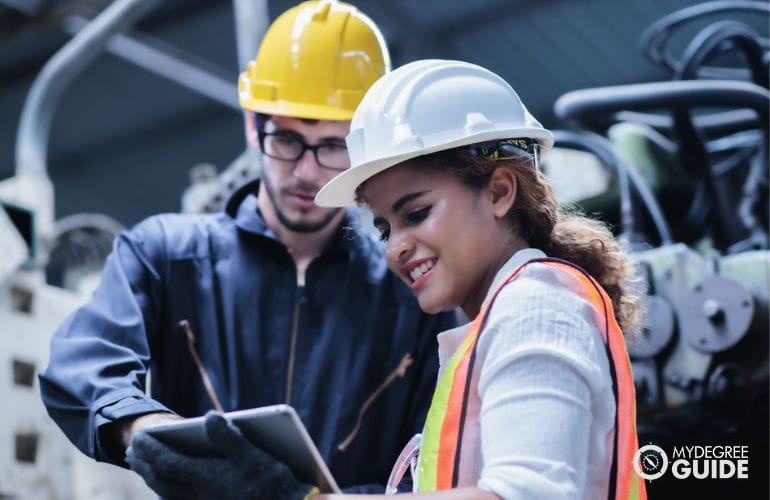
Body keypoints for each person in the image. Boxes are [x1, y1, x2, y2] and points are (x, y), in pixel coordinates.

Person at [39, 2, 456, 497]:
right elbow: (81, 366)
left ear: (368, 150)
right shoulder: (166, 255)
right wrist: (146, 430)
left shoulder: (408, 292)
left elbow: (430, 468)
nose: (306, 171)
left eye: (333, 145)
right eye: (287, 139)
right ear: (252, 127)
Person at [209, 59, 648, 498]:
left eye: (416, 214)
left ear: (499, 192)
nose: (394, 247)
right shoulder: (497, 324)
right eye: (384, 228)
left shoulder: (535, 307)